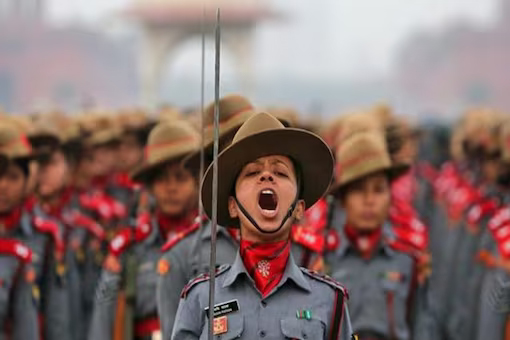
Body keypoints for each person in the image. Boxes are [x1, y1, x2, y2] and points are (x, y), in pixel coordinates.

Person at [171, 112, 353, 340]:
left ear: (298, 207)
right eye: (253, 172)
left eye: (280, 172)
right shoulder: (200, 298)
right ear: (232, 206)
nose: (267, 176)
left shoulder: (329, 301)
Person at [88, 120, 201, 340]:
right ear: (149, 186)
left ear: (197, 182)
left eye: (181, 178)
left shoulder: (214, 242)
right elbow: (104, 317)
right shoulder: (129, 246)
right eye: (162, 179)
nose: (171, 188)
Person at [325, 130, 421, 340]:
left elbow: (423, 328)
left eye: (378, 190)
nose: (370, 201)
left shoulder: (407, 260)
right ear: (343, 200)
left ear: (390, 196)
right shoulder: (321, 259)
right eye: (359, 190)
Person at [0, 118, 69, 339]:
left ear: (28, 180)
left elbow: (55, 313)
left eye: (13, 177)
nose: (3, 185)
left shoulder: (45, 234)